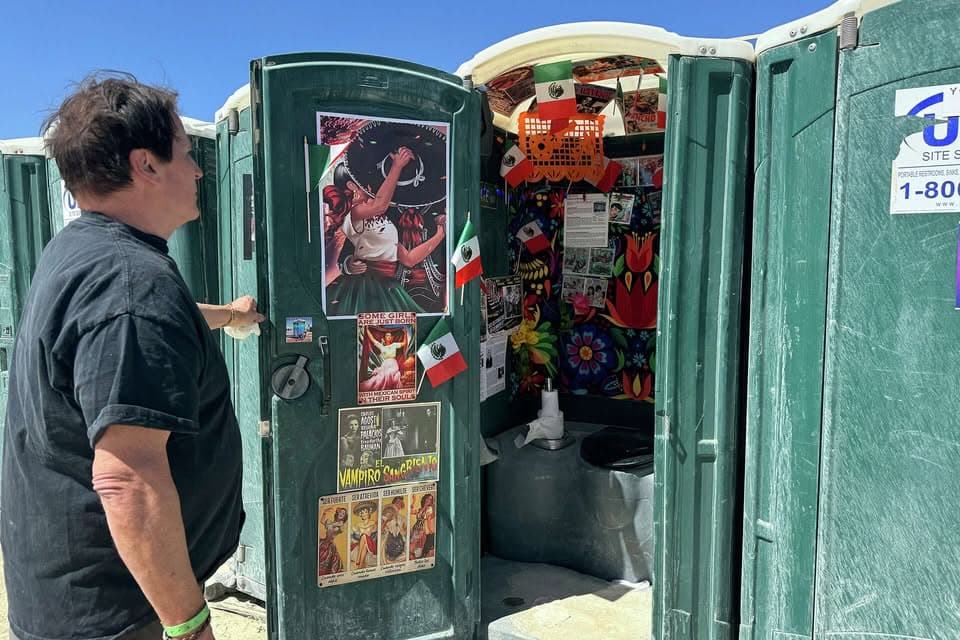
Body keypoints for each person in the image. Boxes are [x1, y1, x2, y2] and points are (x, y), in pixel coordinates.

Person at [0, 74, 264, 640]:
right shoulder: (129, 283)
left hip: (73, 599)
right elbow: (126, 479)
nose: (197, 171)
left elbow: (144, 325)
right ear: (145, 165)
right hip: (119, 614)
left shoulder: (83, 253)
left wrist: (228, 315)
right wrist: (188, 623)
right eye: (189, 156)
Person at [322, 148, 446, 315]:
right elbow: (380, 205)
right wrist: (396, 166)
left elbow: (408, 260)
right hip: (364, 288)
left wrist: (441, 234)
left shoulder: (382, 219)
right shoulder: (353, 214)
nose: (372, 185)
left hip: (388, 287)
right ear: (352, 186)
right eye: (364, 182)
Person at [318, 507, 348, 577]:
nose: (341, 514)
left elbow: (333, 530)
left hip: (329, 544)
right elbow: (322, 521)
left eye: (343, 513)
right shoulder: (331, 522)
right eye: (340, 512)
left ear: (344, 516)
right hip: (323, 541)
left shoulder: (340, 525)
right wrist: (324, 512)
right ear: (337, 513)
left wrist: (329, 526)